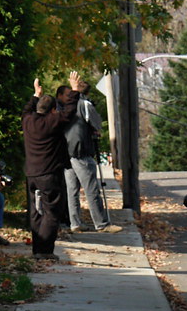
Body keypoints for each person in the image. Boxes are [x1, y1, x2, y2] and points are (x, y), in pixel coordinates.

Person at [22, 72, 81, 260]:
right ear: (52, 110)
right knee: (52, 211)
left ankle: (36, 248)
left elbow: (26, 110)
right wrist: (74, 90)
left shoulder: (28, 121)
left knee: (35, 211)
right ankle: (44, 251)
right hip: (49, 174)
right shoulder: (52, 122)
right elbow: (69, 113)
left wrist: (35, 95)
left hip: (32, 174)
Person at [57, 81, 122, 234]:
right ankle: (102, 223)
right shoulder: (84, 104)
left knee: (72, 190)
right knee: (91, 188)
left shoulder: (63, 107)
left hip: (67, 152)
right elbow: (97, 124)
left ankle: (75, 223)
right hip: (81, 151)